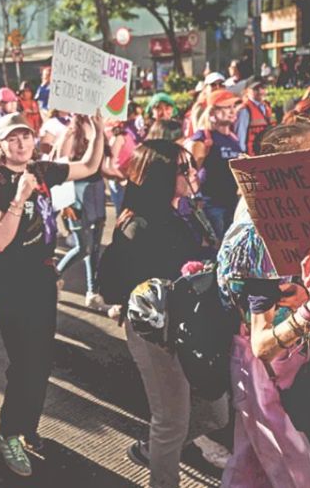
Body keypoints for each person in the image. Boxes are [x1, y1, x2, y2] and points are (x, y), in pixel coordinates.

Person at [0, 111, 106, 476]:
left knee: (42, 360)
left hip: (41, 279)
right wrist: (19, 198)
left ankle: (26, 428)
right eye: (12, 138)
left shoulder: (42, 170)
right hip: (11, 285)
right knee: (24, 362)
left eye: (26, 136)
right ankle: (8, 433)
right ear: (0, 145)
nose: (21, 143)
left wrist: (98, 132)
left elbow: (88, 166)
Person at [216, 123, 310, 487]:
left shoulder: (292, 211)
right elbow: (261, 345)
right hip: (263, 370)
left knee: (252, 456)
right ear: (282, 167)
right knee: (286, 458)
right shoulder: (264, 235)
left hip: (287, 359)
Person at [102, 140, 230, 486]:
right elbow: (121, 286)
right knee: (171, 420)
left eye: (192, 165)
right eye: (183, 168)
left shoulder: (183, 212)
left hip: (189, 326)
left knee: (216, 412)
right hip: (157, 334)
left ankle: (153, 447)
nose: (193, 172)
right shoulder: (138, 226)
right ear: (159, 176)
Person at [55, 114, 112, 312]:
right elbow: (59, 167)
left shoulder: (98, 126)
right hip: (75, 195)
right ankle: (54, 277)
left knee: (95, 246)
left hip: (95, 192)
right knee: (83, 247)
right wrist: (65, 203)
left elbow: (100, 165)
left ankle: (92, 292)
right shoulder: (71, 133)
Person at [187, 88, 244, 239]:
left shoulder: (233, 138)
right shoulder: (203, 138)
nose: (232, 111)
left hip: (232, 203)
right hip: (211, 205)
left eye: (233, 107)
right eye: (226, 107)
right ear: (212, 112)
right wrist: (195, 199)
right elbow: (190, 172)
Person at [234, 77, 275, 154]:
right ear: (246, 91)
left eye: (263, 87)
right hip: (251, 156)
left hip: (265, 154)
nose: (260, 91)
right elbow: (240, 137)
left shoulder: (266, 106)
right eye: (255, 89)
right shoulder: (244, 109)